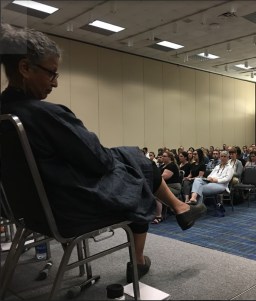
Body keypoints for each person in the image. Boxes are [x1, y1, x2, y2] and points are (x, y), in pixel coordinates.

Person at [0, 23, 206, 280]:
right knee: (136, 171)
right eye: (52, 74)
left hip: (25, 211)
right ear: (25, 68)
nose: (54, 84)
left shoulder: (6, 115)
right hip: (65, 210)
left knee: (132, 163)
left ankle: (177, 210)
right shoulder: (45, 115)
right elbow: (98, 161)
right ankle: (147, 249)